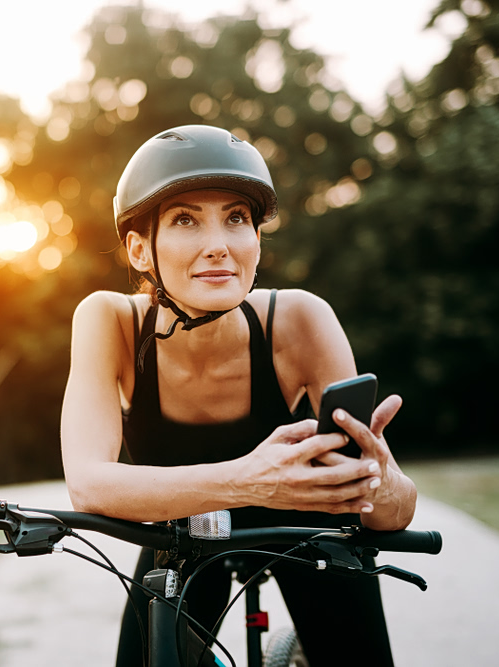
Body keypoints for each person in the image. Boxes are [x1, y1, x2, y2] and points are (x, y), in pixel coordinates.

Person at [59, 124, 418, 666]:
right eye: (185, 220)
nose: (218, 246)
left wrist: (382, 483)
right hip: (184, 535)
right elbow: (88, 484)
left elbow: (389, 509)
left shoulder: (299, 318)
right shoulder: (109, 321)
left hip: (306, 526)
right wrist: (250, 479)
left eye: (236, 218)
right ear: (139, 249)